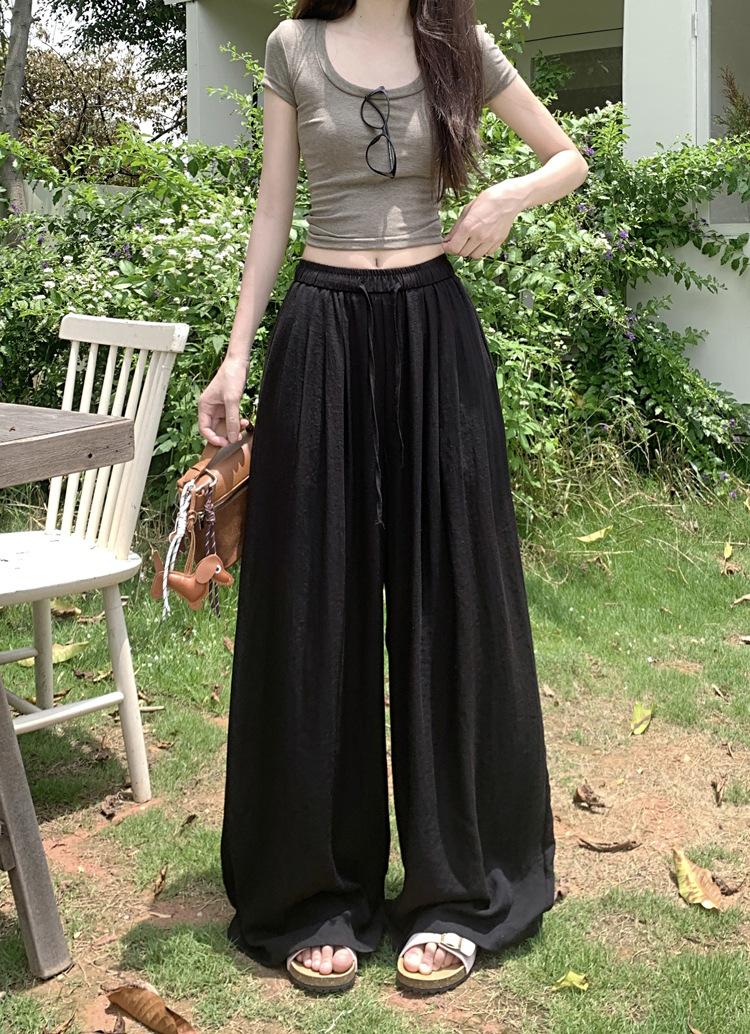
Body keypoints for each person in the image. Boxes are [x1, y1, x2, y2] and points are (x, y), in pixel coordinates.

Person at [199, 0, 588, 997]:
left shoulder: (458, 42)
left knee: (449, 603)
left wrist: (506, 196)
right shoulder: (293, 45)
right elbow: (273, 211)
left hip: (433, 337)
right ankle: (318, 892)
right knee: (314, 607)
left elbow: (568, 158)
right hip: (321, 333)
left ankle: (457, 888)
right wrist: (236, 357)